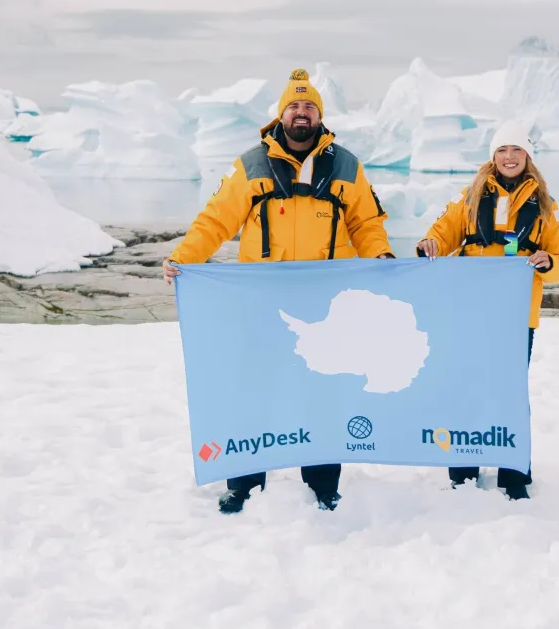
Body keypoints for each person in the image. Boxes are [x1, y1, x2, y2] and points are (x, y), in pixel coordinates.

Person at [163, 68, 394, 514]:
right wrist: (184, 257)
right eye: (294, 106)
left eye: (309, 106)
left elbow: (366, 223)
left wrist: (380, 255)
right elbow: (215, 221)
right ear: (281, 115)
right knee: (255, 391)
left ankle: (323, 484)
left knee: (322, 391)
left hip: (326, 304)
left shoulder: (346, 165)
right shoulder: (251, 165)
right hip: (263, 304)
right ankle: (244, 483)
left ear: (319, 116)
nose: (301, 112)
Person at [416, 120, 559, 500]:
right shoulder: (468, 198)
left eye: (516, 150)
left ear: (527, 156)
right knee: (466, 387)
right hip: (470, 313)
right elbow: (442, 233)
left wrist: (548, 262)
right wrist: (429, 244)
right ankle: (463, 470)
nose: (509, 157)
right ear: (493, 156)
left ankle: (513, 474)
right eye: (502, 150)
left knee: (509, 393)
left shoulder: (546, 207)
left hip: (516, 317)